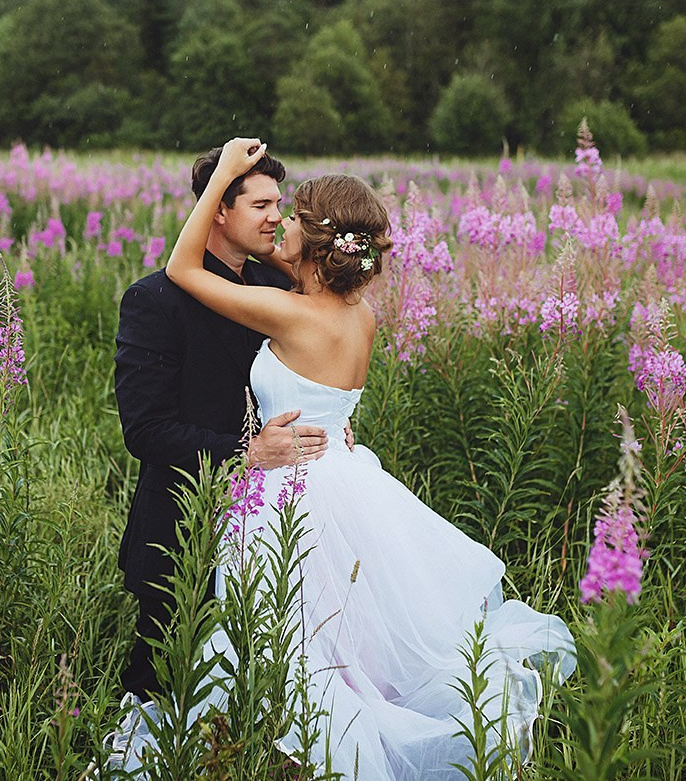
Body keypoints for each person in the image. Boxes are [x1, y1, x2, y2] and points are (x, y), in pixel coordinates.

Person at [164, 138, 577, 779]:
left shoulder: (293, 314)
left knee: (301, 646)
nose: (281, 223)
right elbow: (334, 402)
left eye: (293, 216)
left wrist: (221, 176)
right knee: (347, 643)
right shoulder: (359, 317)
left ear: (319, 239)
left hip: (295, 492)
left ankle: (324, 758)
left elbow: (183, 271)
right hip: (349, 474)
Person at [109, 143, 342, 768]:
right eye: (260, 203)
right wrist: (246, 452)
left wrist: (333, 424)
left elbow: (316, 364)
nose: (275, 217)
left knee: (261, 672)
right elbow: (147, 431)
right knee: (164, 675)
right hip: (184, 517)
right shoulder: (154, 300)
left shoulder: (276, 285)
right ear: (217, 209)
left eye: (278, 204)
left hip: (276, 520)